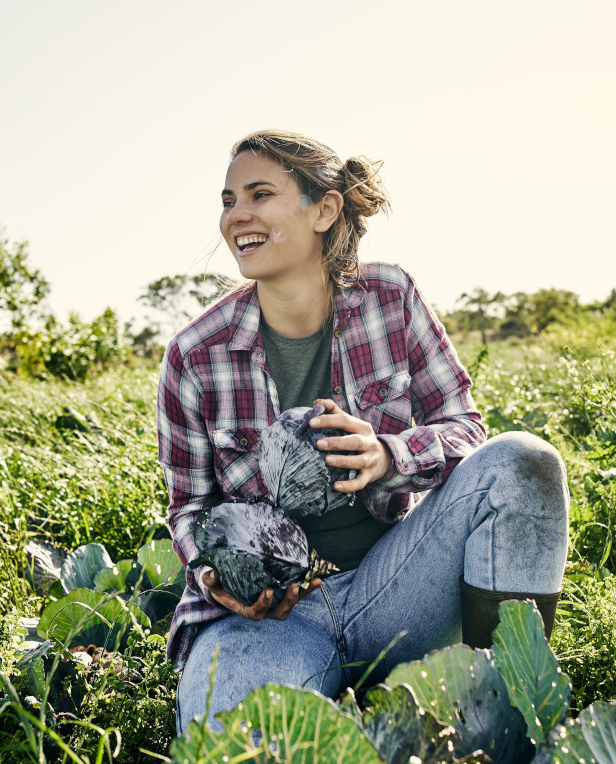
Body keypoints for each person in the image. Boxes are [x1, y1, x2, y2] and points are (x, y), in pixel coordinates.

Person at [157, 130, 570, 732]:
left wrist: (388, 455)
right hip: (270, 621)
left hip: (396, 582)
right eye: (227, 200)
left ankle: (501, 715)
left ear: (323, 209)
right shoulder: (195, 355)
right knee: (230, 754)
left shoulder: (390, 297)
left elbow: (465, 429)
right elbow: (190, 508)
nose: (236, 215)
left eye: (260, 194)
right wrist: (218, 577)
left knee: (523, 463)